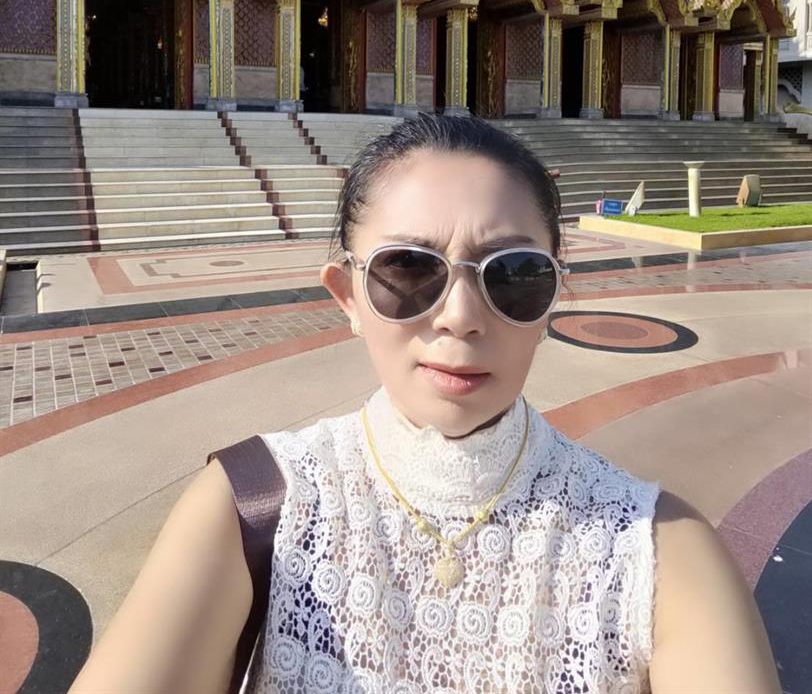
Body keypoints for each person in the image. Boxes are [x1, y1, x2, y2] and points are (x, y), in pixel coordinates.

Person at [69, 115, 780, 694]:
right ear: (348, 297)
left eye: (514, 274)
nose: (460, 318)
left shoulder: (656, 549)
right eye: (408, 269)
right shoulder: (247, 509)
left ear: (554, 296)